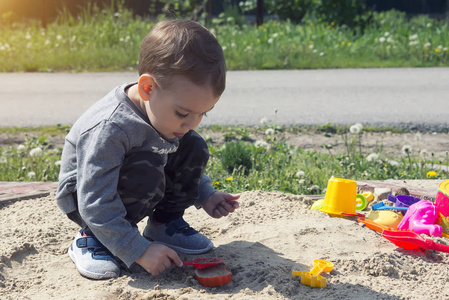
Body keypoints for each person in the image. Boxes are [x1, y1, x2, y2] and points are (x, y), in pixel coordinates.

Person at [56, 19, 240, 280]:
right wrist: (138, 250)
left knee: (193, 144)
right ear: (147, 88)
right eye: (183, 113)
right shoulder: (112, 128)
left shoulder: (161, 114)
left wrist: (205, 193)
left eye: (203, 114)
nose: (191, 123)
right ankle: (92, 239)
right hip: (85, 196)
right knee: (148, 167)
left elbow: (172, 151)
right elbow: (94, 199)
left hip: (127, 177)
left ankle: (164, 224)